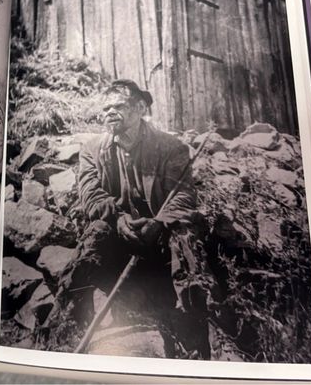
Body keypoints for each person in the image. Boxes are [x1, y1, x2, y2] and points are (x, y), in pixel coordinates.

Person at [49, 79, 216, 359]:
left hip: (161, 242)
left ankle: (197, 335)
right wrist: (118, 219)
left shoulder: (171, 148)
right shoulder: (92, 150)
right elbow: (91, 195)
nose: (110, 112)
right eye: (106, 108)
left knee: (184, 236)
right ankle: (67, 331)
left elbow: (184, 196)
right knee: (96, 233)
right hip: (119, 240)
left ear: (140, 108)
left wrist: (159, 224)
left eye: (119, 106)